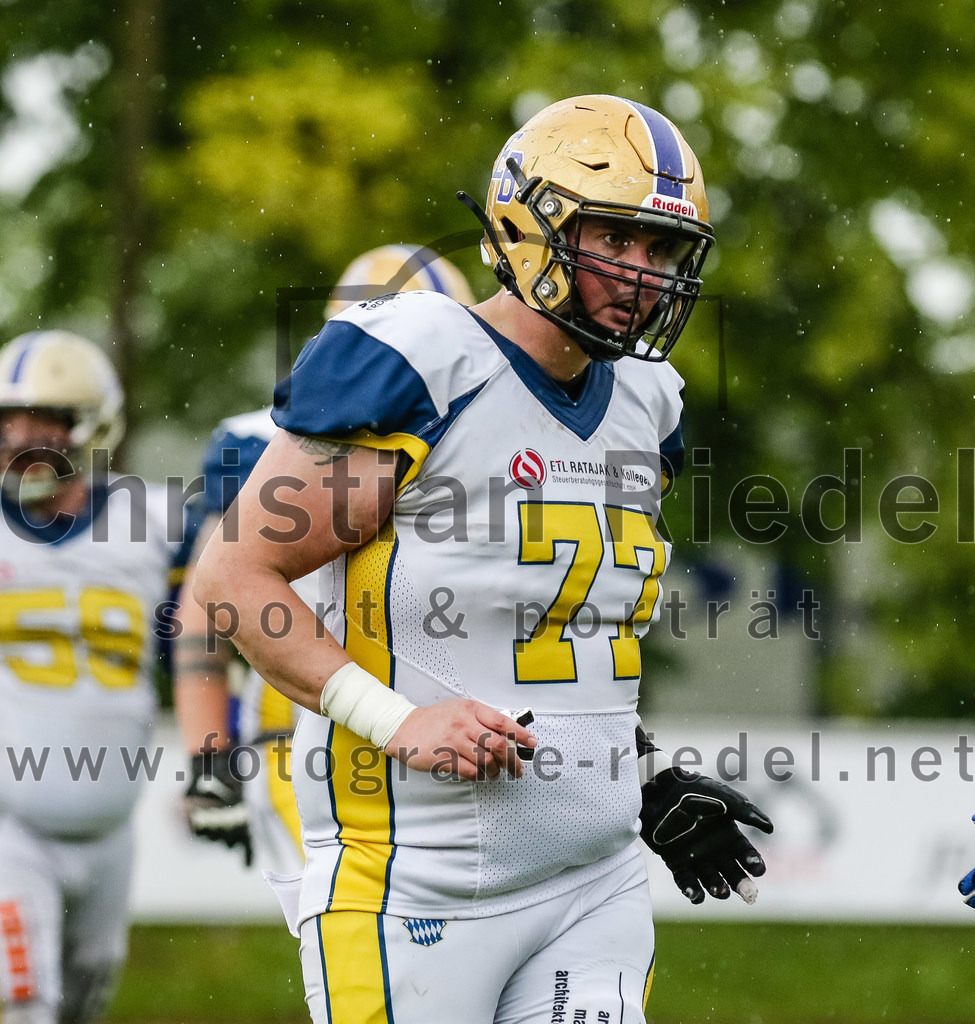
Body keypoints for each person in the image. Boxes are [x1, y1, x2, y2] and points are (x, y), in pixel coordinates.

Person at [193, 95, 773, 1023]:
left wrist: (646, 776)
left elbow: (561, 637)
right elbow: (234, 579)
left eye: (663, 251)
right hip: (416, 881)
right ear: (528, 225)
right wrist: (391, 720)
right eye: (617, 240)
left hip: (594, 884)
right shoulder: (425, 362)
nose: (644, 275)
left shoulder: (646, 400)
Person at [174, 245, 475, 874]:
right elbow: (208, 604)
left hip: (458, 726)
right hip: (307, 727)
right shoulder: (261, 441)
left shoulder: (490, 437)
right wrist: (209, 752)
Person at [0, 331, 180, 1024]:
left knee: (81, 1007)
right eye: (8, 420)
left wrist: (214, 749)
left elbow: (205, 648)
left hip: (110, 823)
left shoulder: (158, 521)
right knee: (22, 1005)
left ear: (93, 423)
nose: (20, 437)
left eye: (43, 419)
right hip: (11, 819)